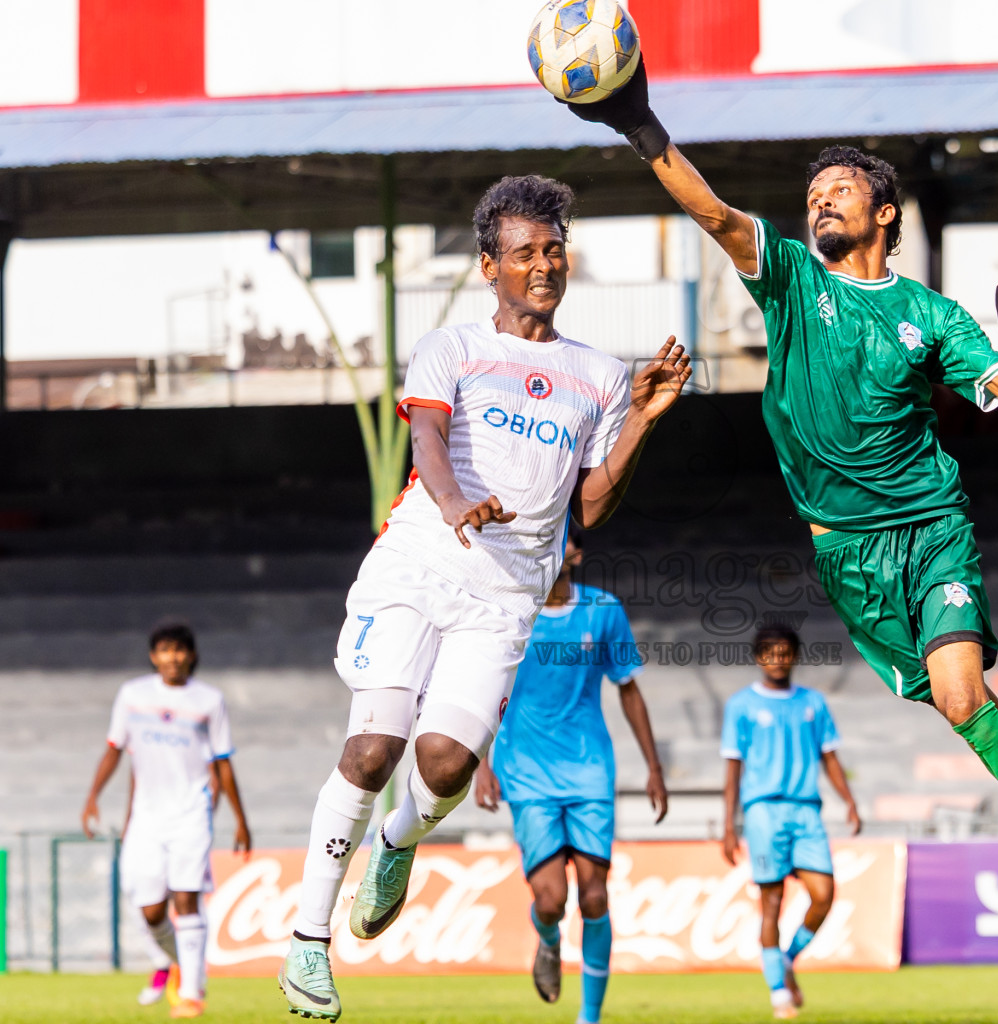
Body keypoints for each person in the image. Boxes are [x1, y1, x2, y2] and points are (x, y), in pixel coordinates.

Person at [559, 63, 998, 963]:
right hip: (847, 557)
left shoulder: (931, 315)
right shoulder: (795, 281)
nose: (819, 203)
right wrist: (642, 125)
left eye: (838, 190)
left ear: (884, 212)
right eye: (812, 194)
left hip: (932, 531)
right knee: (970, 713)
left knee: (962, 700)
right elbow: (716, 215)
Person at [278, 174, 692, 1021]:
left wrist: (644, 418)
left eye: (553, 250)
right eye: (524, 253)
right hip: (419, 568)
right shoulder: (452, 348)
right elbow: (426, 435)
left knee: (445, 766)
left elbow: (589, 506)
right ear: (488, 267)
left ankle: (397, 843)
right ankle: (309, 945)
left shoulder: (600, 375)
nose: (542, 265)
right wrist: (453, 499)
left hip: (506, 599)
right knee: (373, 751)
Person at [472, 529, 667, 1024]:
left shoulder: (603, 610)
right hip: (527, 773)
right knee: (552, 899)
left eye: (559, 540)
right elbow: (484, 690)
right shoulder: (514, 611)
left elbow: (628, 689)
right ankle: (549, 938)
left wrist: (654, 768)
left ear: (575, 553)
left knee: (596, 894)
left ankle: (590, 1018)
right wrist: (481, 764)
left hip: (589, 771)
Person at [81, 622, 251, 1019]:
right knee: (152, 911)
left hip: (192, 812)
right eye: (163, 650)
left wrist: (241, 820)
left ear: (191, 655)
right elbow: (115, 750)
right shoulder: (133, 695)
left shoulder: (209, 700)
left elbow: (223, 763)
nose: (171, 657)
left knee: (186, 896)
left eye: (179, 650)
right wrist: (93, 796)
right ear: (153, 656)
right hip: (146, 818)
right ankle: (180, 964)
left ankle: (192, 992)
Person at [721, 625, 859, 1021]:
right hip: (763, 811)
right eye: (770, 652)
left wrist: (849, 801)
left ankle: (785, 959)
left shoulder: (813, 703)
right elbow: (732, 770)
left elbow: (830, 758)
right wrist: (729, 826)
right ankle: (779, 992)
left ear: (795, 656)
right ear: (758, 656)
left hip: (806, 811)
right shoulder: (741, 705)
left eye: (784, 652)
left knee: (824, 894)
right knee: (772, 904)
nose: (777, 659)